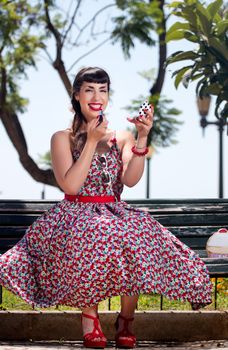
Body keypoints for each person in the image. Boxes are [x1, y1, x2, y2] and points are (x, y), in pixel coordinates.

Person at [0, 67, 212, 349]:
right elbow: (71, 186)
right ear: (76, 95)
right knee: (95, 232)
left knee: (137, 235)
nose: (96, 96)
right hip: (75, 213)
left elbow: (131, 180)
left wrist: (142, 137)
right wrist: (89, 140)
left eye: (103, 90)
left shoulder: (120, 137)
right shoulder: (61, 138)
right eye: (89, 89)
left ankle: (126, 320)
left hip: (113, 209)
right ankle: (90, 318)